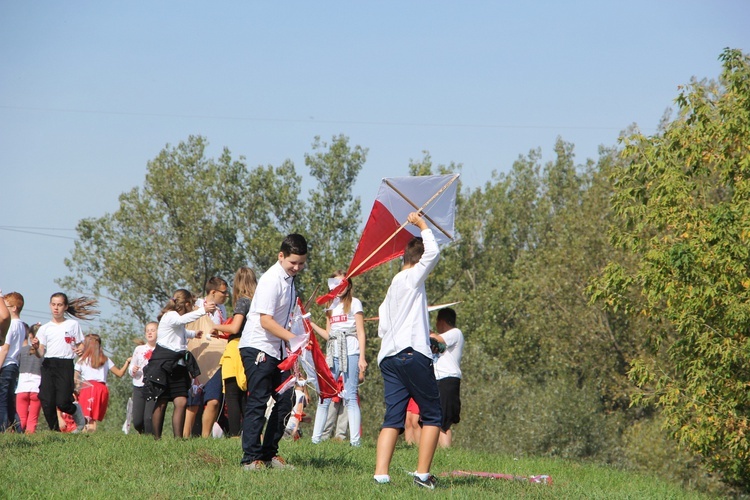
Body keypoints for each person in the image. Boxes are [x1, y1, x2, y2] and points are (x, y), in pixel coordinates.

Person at [374, 212, 442, 489]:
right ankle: (422, 476)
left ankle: (380, 475)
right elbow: (434, 253)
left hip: (389, 357)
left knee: (394, 416)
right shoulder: (413, 278)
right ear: (417, 260)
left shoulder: (392, 288)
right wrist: (423, 224)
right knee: (433, 414)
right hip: (411, 353)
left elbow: (383, 328)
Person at [239, 234, 307, 471]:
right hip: (258, 347)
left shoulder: (290, 279)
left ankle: (269, 454)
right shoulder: (271, 280)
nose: (297, 267)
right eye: (293, 263)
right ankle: (250, 458)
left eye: (301, 263)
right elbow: (265, 321)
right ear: (281, 256)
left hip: (278, 349)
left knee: (287, 399)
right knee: (258, 401)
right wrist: (294, 339)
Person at [146, 289, 216, 439]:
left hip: (177, 365)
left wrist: (193, 333)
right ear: (187, 303)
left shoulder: (176, 320)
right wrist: (204, 310)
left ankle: (178, 439)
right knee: (162, 401)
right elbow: (180, 322)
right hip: (163, 365)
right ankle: (156, 439)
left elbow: (179, 331)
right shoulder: (170, 316)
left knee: (182, 401)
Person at [311, 271, 367, 447]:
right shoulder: (330, 305)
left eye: (342, 283)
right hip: (333, 350)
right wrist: (311, 324)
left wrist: (362, 357)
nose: (339, 287)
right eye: (336, 283)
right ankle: (315, 439)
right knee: (325, 395)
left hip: (351, 350)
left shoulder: (355, 303)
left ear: (348, 284)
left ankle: (355, 441)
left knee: (350, 395)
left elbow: (360, 331)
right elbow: (328, 334)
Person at [32, 293, 98, 432]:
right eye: (53, 304)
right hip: (49, 365)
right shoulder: (45, 328)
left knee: (62, 402)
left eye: (60, 305)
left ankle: (77, 414)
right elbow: (40, 354)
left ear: (65, 307)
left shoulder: (72, 325)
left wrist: (80, 350)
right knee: (46, 400)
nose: (56, 308)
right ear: (50, 305)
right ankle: (55, 432)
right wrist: (36, 348)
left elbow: (80, 344)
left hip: (65, 365)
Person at [211, 267, 257, 437]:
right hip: (251, 348)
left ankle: (235, 435)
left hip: (236, 350)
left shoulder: (243, 301)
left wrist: (215, 326)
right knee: (245, 395)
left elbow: (235, 327)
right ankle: (250, 434)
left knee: (232, 394)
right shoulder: (258, 302)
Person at [185, 277, 229, 438]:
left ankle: (205, 437)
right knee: (193, 402)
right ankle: (184, 436)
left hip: (217, 360)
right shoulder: (197, 306)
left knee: (214, 400)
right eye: (223, 292)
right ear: (213, 292)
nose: (226, 296)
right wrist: (202, 310)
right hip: (199, 359)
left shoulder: (222, 309)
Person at [75, 333, 131, 432]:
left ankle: (85, 439)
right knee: (93, 419)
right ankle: (92, 437)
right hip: (101, 389)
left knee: (85, 418)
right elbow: (120, 373)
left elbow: (75, 379)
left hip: (88, 388)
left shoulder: (82, 360)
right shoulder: (105, 360)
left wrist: (76, 390)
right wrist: (127, 362)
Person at [430, 307, 464, 448]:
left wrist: (421, 324)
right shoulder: (446, 337)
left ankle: (446, 453)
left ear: (442, 321)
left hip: (448, 380)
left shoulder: (455, 333)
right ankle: (438, 452)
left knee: (444, 422)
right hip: (439, 380)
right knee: (436, 420)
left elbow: (436, 339)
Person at [0, 292, 26, 431]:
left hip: (5, 364)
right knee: (10, 402)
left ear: (14, 308)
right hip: (14, 365)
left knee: (2, 401)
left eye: (6, 305)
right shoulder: (21, 325)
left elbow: (5, 348)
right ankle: (18, 428)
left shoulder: (10, 324)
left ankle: (2, 428)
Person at [128, 322, 158, 434]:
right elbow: (131, 366)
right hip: (139, 385)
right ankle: (142, 432)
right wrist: (133, 369)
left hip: (153, 387)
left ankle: (149, 440)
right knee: (137, 421)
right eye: (148, 330)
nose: (150, 332)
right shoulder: (139, 349)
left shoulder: (160, 350)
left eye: (153, 330)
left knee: (148, 418)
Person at [16, 323, 43, 433]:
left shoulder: (22, 351)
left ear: (30, 336)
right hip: (37, 388)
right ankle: (31, 436)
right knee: (33, 420)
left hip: (22, 387)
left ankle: (19, 439)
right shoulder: (43, 353)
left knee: (21, 418)